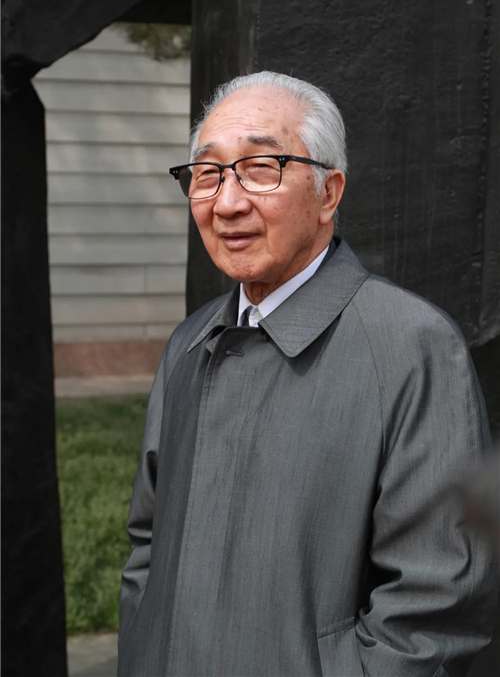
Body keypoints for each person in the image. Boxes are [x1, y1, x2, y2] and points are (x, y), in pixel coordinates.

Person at [118, 72, 497, 677]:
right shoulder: (189, 343)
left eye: (260, 167)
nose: (227, 202)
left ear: (328, 193)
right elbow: (147, 547)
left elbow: (436, 607)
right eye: (208, 174)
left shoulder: (412, 346)